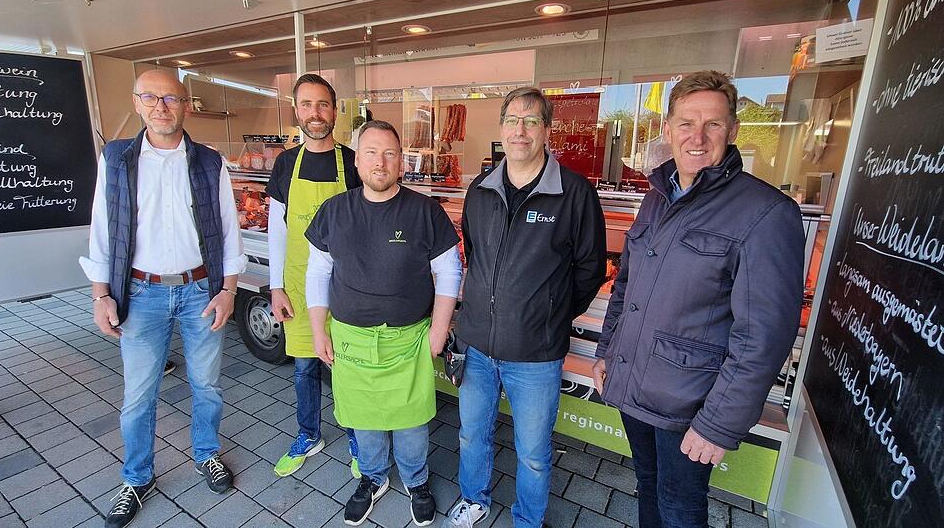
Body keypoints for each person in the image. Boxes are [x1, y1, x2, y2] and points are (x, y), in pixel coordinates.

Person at [593, 71, 804, 528]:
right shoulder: (658, 196)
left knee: (681, 507)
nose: (698, 136)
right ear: (667, 130)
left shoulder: (765, 212)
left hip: (691, 405)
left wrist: (720, 424)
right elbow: (626, 287)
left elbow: (763, 336)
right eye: (686, 123)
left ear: (732, 131)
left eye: (712, 124)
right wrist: (608, 351)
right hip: (635, 384)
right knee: (647, 484)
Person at [79, 69, 246, 528]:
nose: (161, 106)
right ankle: (137, 477)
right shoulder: (115, 159)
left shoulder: (210, 162)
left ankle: (206, 454)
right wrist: (100, 296)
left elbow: (229, 232)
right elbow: (102, 231)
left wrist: (229, 290)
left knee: (207, 385)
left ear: (185, 104)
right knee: (138, 395)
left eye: (170, 98)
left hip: (200, 291)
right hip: (140, 291)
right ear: (136, 103)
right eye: (150, 97)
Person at [445, 87, 606, 528]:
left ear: (547, 130)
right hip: (477, 344)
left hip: (536, 354)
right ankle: (473, 499)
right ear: (501, 128)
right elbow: (474, 254)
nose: (521, 130)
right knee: (471, 435)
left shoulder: (574, 192)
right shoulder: (479, 189)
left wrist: (551, 312)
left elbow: (590, 269)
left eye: (532, 121)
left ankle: (528, 520)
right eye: (513, 120)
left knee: (533, 453)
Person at [306, 120, 462, 526]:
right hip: (350, 339)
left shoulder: (425, 211)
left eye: (390, 153)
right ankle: (373, 478)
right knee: (365, 419)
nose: (381, 161)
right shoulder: (334, 211)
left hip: (409, 339)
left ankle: (416, 480)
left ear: (401, 162)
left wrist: (439, 331)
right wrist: (318, 329)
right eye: (372, 152)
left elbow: (449, 273)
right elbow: (317, 274)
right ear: (357, 162)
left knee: (411, 422)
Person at [265, 73, 362, 479]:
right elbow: (277, 227)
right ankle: (309, 434)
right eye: (307, 105)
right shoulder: (286, 163)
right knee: (305, 366)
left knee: (349, 366)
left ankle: (360, 438)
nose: (315, 113)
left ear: (335, 110)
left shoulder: (354, 162)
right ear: (296, 111)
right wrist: (275, 287)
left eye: (323, 104)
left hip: (348, 284)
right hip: (300, 282)